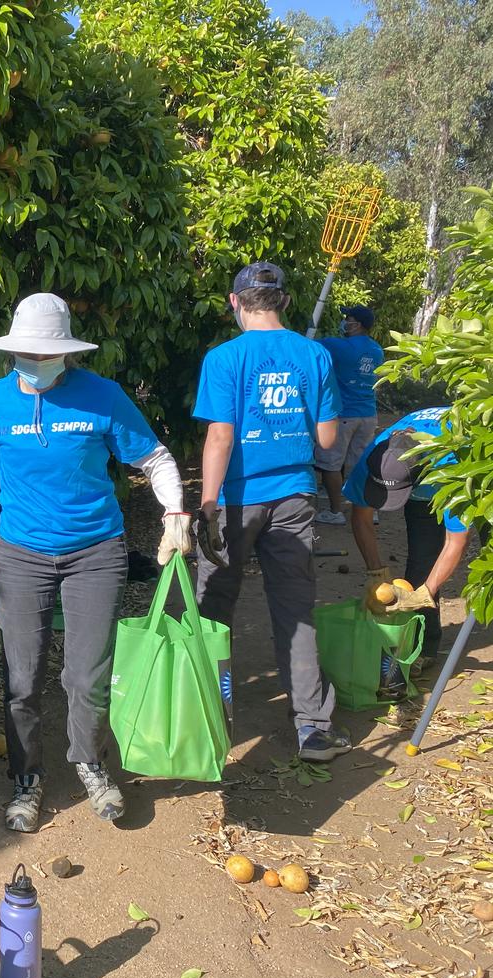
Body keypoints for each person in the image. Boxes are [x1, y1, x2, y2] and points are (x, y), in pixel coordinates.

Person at [0, 292, 191, 832]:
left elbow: (154, 457)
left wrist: (174, 511)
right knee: (22, 676)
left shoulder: (103, 398)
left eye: (46, 354)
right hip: (22, 553)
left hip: (95, 552)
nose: (34, 362)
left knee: (88, 674)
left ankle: (90, 762)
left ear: (66, 354)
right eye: (26, 353)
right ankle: (25, 778)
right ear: (12, 351)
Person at [191, 262, 351, 763]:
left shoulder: (223, 357)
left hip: (236, 499)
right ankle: (312, 728)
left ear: (236, 303)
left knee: (213, 607)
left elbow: (220, 436)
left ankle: (205, 717)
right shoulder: (314, 355)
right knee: (294, 608)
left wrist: (207, 506)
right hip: (294, 496)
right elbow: (327, 440)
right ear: (283, 302)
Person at [345, 407, 472, 661]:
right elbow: (361, 516)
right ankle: (422, 649)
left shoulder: (452, 465)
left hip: (465, 469)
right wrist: (376, 572)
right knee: (421, 563)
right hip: (420, 481)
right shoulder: (373, 457)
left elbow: (456, 539)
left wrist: (428, 591)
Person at [314, 305, 384, 525]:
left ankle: (336, 512)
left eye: (349, 319)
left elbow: (308, 343)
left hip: (344, 414)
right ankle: (368, 510)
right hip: (368, 414)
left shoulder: (338, 346)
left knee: (330, 464)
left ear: (358, 325)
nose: (345, 322)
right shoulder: (377, 350)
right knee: (360, 464)